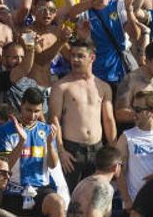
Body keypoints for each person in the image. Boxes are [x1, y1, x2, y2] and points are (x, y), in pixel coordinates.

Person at [48, 40, 115, 183]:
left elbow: (108, 120)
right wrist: (61, 150)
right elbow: (54, 120)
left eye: (80, 56)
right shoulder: (61, 86)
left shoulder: (103, 87)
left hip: (97, 149)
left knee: (96, 196)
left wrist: (113, 151)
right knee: (71, 198)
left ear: (92, 58)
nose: (75, 60)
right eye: (72, 55)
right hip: (72, 150)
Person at [0, 88, 66, 217]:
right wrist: (21, 141)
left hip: (40, 189)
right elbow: (6, 166)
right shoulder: (5, 130)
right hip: (13, 190)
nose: (32, 116)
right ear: (21, 105)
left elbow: (52, 165)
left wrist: (51, 144)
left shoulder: (46, 130)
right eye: (28, 110)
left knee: (58, 203)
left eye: (36, 111)